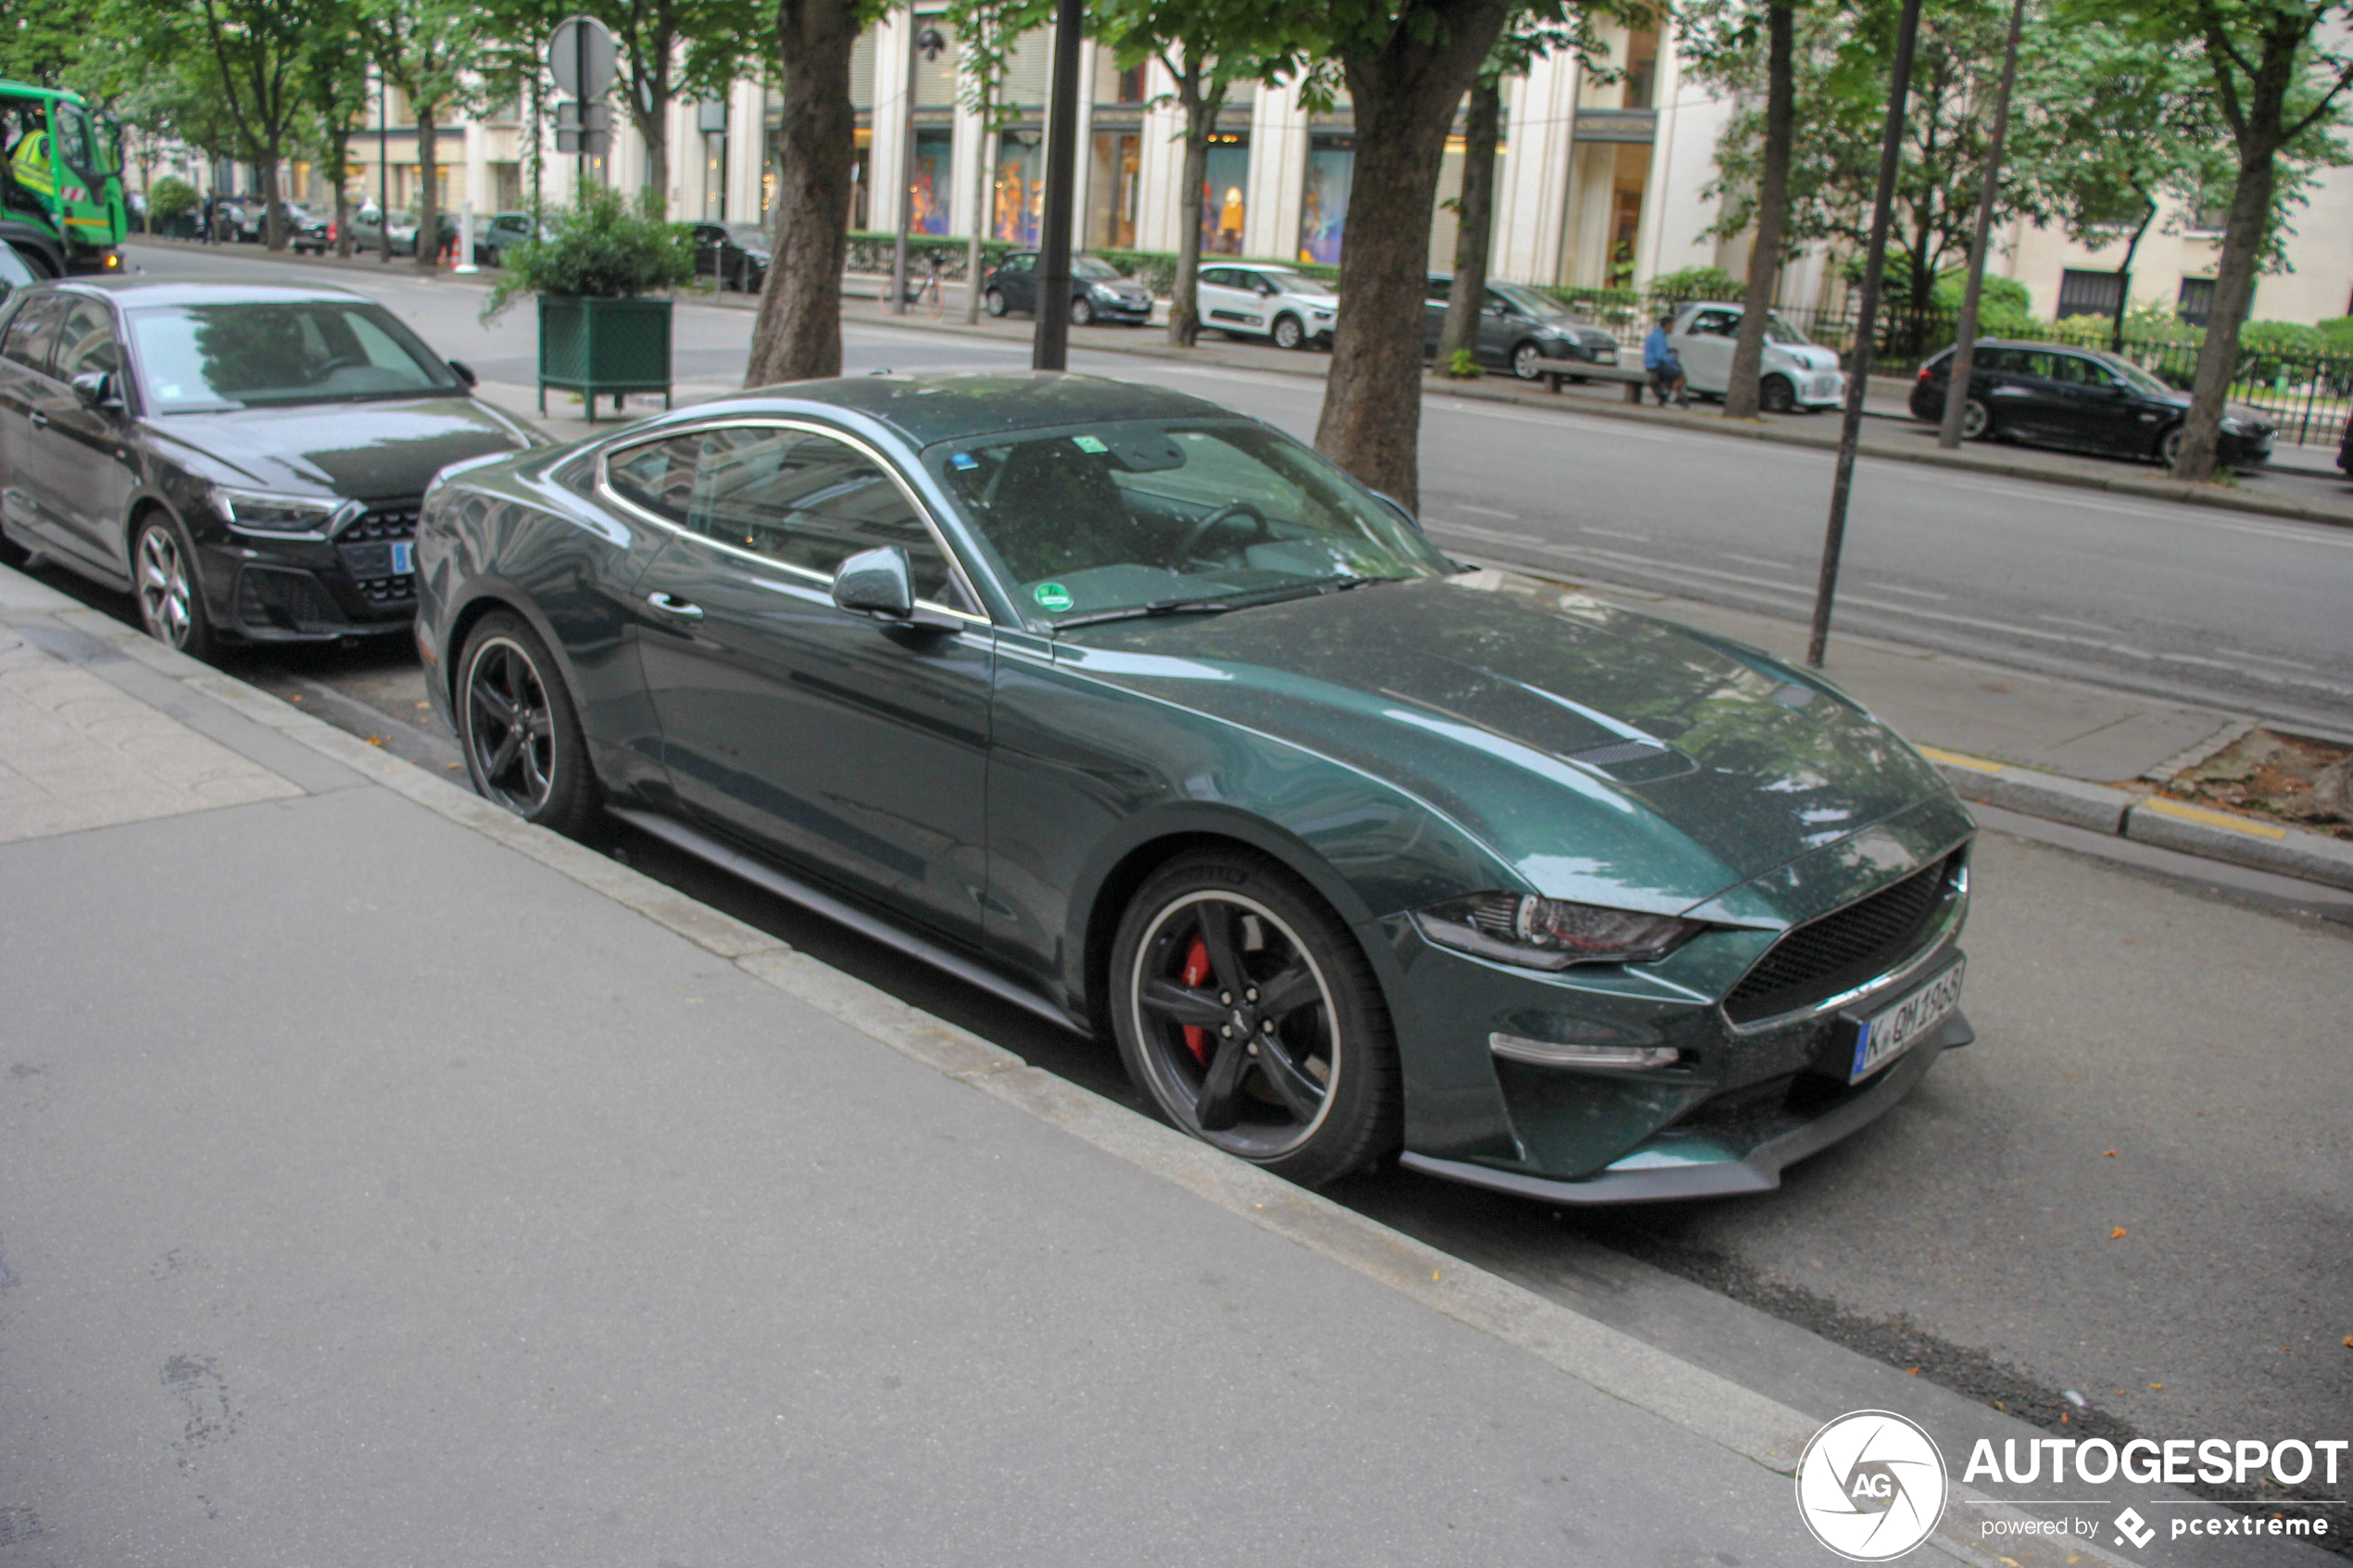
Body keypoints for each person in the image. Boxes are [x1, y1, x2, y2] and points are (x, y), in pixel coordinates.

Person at [1643, 314, 1689, 408]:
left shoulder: (1657, 334)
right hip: (1655, 365)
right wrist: (1672, 358)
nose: (1673, 328)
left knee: (1675, 372)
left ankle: (1668, 396)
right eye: (1672, 326)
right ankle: (1672, 398)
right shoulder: (1659, 337)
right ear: (1668, 326)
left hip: (1652, 364)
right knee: (1681, 375)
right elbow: (1660, 356)